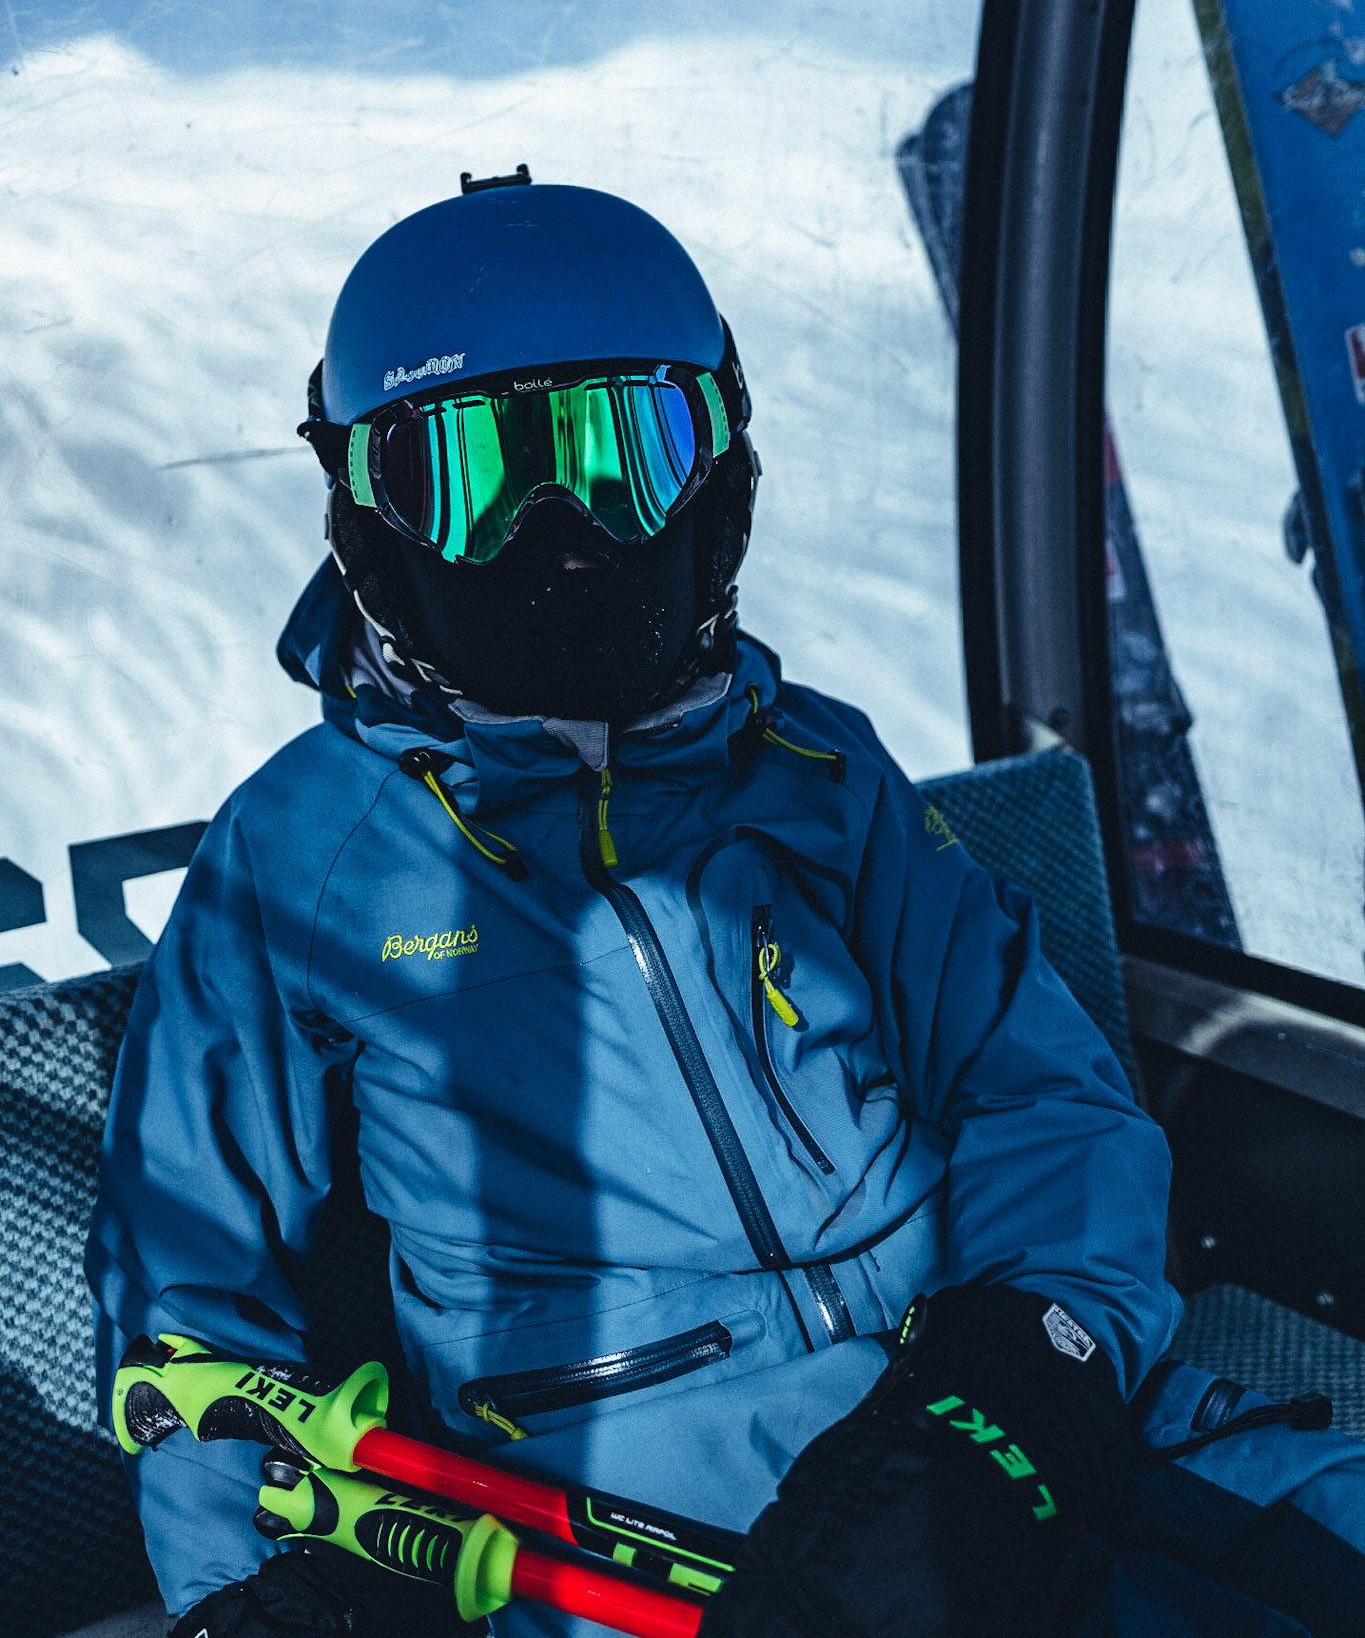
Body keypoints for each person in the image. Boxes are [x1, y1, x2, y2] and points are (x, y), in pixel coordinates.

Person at [87, 175, 1364, 1638]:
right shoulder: (301, 857)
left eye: (621, 457)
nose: (562, 535)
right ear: (374, 529)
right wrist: (247, 1595)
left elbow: (1041, 1089)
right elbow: (185, 1274)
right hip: (646, 1523)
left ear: (718, 488)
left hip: (996, 1412)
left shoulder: (819, 771)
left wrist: (1024, 1369)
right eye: (474, 477)